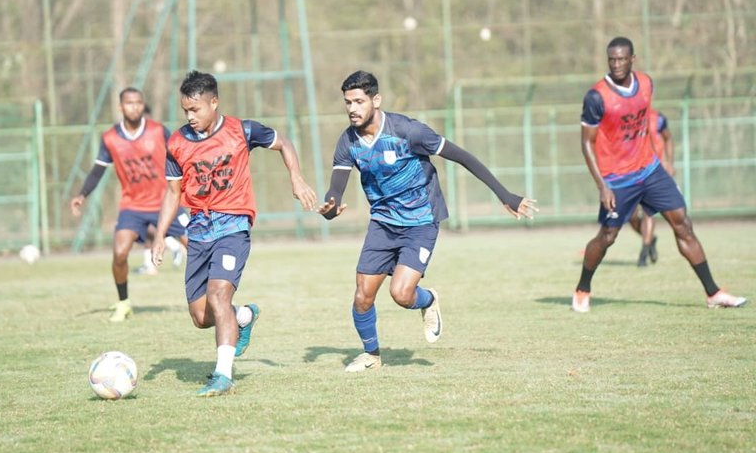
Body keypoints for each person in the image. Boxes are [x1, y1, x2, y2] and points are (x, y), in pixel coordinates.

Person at [317, 70, 538, 373]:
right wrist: (330, 206)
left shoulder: (409, 132)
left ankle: (429, 299)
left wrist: (504, 195)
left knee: (401, 294)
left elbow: (463, 157)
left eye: (358, 101)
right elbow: (336, 189)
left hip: (421, 220)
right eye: (347, 103)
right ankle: (372, 355)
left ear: (376, 100)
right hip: (383, 222)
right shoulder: (348, 141)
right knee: (362, 296)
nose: (353, 109)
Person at [151, 70, 317, 397]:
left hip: (234, 224)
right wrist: (159, 235)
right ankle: (243, 316)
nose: (190, 116)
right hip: (198, 229)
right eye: (185, 110)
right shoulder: (177, 143)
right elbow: (173, 192)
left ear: (214, 103)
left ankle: (223, 375)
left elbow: (284, 143)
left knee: (218, 295)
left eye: (196, 109)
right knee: (201, 316)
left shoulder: (242, 130)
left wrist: (296, 178)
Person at [572, 36, 746, 312]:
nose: (616, 64)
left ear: (632, 59)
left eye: (621, 59)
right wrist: (602, 185)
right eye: (611, 60)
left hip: (651, 170)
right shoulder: (596, 97)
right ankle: (583, 288)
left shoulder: (646, 84)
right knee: (607, 237)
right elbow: (586, 143)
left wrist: (661, 160)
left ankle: (714, 293)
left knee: (683, 224)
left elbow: (644, 128)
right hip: (617, 178)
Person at [70, 87, 189, 322]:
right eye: (129, 103)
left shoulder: (157, 131)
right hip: (132, 206)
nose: (134, 107)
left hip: (165, 202)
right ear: (120, 107)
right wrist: (82, 195)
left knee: (197, 246)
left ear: (143, 105)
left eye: (138, 103)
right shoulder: (110, 138)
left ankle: (212, 297)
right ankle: (124, 303)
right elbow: (97, 171)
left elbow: (181, 156)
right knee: (120, 252)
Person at [629, 109, 674, 267]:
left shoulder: (658, 119)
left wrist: (669, 163)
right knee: (631, 216)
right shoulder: (625, 119)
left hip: (653, 173)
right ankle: (650, 239)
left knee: (649, 213)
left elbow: (668, 138)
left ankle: (644, 253)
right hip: (630, 173)